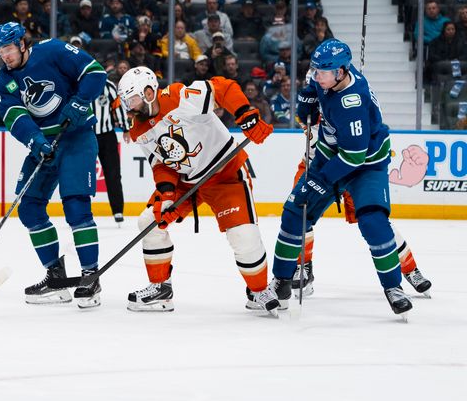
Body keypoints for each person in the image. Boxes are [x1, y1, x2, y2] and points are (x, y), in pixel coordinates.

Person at [117, 66, 278, 314]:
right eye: (127, 102)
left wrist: (246, 114)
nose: (130, 107)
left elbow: (223, 87)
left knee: (243, 236)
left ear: (149, 92)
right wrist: (167, 195)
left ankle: (258, 291)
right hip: (186, 181)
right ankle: (160, 288)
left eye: (133, 99)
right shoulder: (138, 128)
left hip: (225, 173)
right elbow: (161, 162)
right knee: (150, 220)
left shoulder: (179, 97)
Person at [270, 39, 413, 317]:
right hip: (331, 153)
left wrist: (322, 179)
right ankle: (282, 283)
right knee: (293, 213)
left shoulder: (353, 103)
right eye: (315, 70)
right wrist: (308, 98)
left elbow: (354, 157)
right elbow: (315, 87)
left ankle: (393, 287)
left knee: (373, 221)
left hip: (365, 165)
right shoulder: (329, 78)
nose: (316, 75)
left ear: (340, 72)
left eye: (322, 72)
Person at [0, 22, 106, 308]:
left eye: (7, 48)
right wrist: (35, 140)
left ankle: (91, 277)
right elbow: (15, 117)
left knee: (76, 207)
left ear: (21, 43)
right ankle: (55, 276)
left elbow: (95, 72)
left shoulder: (53, 50)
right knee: (29, 208)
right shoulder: (2, 83)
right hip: (44, 146)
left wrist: (81, 101)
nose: (4, 55)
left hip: (76, 138)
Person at [93, 76, 128, 225]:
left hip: (107, 135)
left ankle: (117, 210)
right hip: (85, 136)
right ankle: (81, 211)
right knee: (81, 175)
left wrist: (126, 128)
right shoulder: (77, 83)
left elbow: (118, 107)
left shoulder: (107, 86)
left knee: (113, 174)